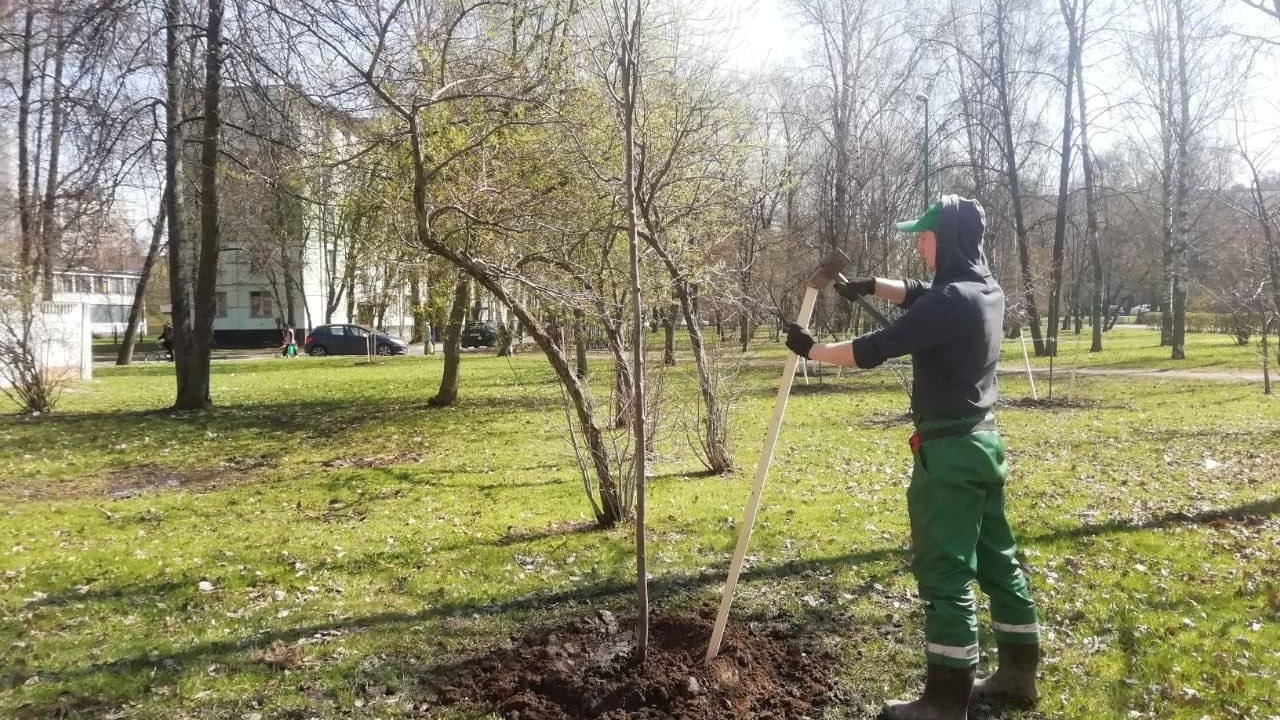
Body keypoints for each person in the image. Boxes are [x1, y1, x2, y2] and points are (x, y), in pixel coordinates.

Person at [784, 196, 1040, 720]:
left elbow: (871, 349)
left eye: (924, 238)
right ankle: (1018, 675)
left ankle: (945, 702)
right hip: (984, 446)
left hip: (947, 454)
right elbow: (924, 294)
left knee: (945, 574)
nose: (919, 245)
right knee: (999, 562)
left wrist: (811, 351)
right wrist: (873, 285)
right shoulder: (985, 290)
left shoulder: (950, 303)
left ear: (944, 241)